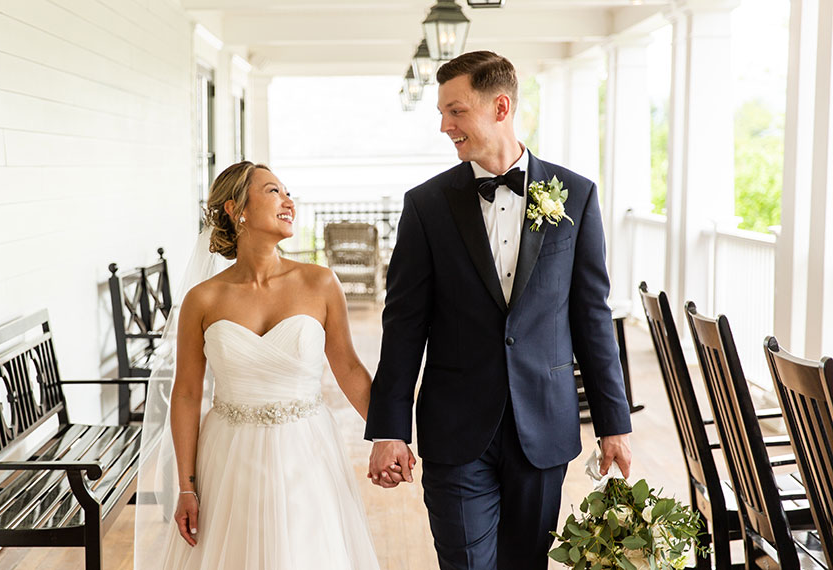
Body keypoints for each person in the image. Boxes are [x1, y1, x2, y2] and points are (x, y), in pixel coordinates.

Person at [364, 51, 634, 569]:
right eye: (442, 114)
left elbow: (591, 319)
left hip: (545, 426)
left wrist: (613, 423)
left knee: (526, 562)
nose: (444, 126)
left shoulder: (575, 196)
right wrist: (389, 429)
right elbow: (403, 325)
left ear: (500, 106)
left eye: (456, 111)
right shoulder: (426, 206)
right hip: (455, 429)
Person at [158, 161, 388, 569]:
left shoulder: (320, 283)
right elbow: (188, 393)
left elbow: (350, 370)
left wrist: (390, 436)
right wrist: (187, 487)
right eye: (273, 191)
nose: (288, 201)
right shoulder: (203, 299)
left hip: (307, 453)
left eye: (288, 192)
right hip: (228, 459)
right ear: (236, 209)